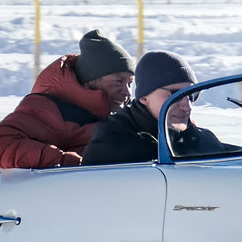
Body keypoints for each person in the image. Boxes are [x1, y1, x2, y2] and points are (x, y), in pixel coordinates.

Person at [0, 29, 135, 169]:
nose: (127, 93)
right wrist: (66, 163)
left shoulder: (114, 114)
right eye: (118, 82)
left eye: (130, 83)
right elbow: (1, 144)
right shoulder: (52, 108)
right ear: (91, 80)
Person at [84, 51, 232, 165]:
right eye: (174, 95)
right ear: (144, 98)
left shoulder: (193, 136)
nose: (187, 106)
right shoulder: (113, 143)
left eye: (191, 95)